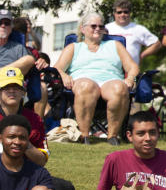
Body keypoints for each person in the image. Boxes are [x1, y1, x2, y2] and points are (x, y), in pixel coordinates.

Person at [54, 12, 139, 144]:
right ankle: (84, 135)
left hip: (110, 82)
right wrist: (64, 75)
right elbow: (57, 68)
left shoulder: (115, 45)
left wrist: (131, 78)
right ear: (83, 29)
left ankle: (112, 136)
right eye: (93, 26)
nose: (98, 29)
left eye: (101, 26)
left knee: (120, 88)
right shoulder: (74, 47)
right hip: (83, 82)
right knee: (86, 85)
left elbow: (133, 67)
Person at [104, 0, 162, 66]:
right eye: (119, 12)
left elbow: (157, 44)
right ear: (114, 13)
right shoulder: (106, 28)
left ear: (130, 13)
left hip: (131, 71)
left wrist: (142, 55)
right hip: (110, 70)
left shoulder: (138, 29)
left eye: (125, 12)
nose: (122, 14)